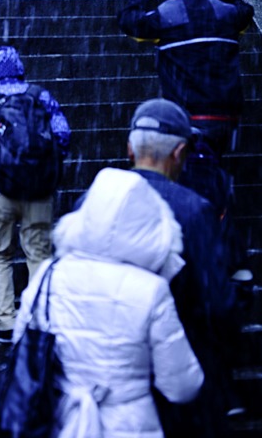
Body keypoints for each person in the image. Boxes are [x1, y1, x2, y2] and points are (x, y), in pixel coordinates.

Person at [14, 167, 204, 438]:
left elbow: (21, 342)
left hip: (57, 419)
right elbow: (181, 386)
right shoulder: (151, 291)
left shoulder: (49, 274)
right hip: (131, 426)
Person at [128, 98, 239, 436]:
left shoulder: (92, 202)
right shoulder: (193, 210)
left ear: (129, 150)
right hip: (181, 367)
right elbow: (217, 302)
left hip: (115, 373)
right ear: (179, 154)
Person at [0, 45, 70, 342]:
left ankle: (6, 322)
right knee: (39, 253)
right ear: (20, 66)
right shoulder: (40, 96)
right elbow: (62, 135)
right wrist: (46, 171)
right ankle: (37, 320)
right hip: (39, 189)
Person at [118, 0, 254, 158]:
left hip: (188, 116)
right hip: (227, 115)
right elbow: (246, 11)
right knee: (212, 168)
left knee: (192, 172)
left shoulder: (168, 15)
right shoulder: (224, 13)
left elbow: (129, 21)